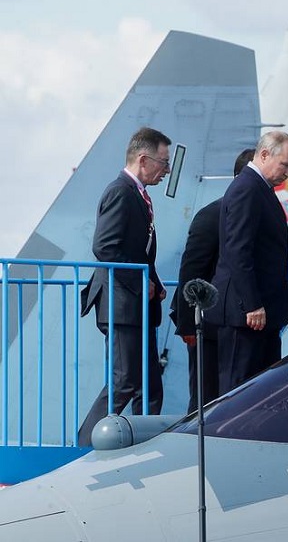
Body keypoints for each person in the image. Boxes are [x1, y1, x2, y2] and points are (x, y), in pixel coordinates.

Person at [78, 126, 172, 446]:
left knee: (148, 384)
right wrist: (140, 282)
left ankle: (144, 446)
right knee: (125, 380)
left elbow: (138, 252)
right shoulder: (120, 191)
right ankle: (86, 444)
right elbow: (106, 247)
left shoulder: (138, 195)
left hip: (137, 303)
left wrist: (155, 284)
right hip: (121, 304)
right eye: (163, 162)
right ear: (144, 160)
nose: (167, 170)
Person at [205, 132, 288, 395]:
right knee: (238, 391)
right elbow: (237, 250)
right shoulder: (247, 188)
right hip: (245, 315)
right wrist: (252, 303)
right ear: (265, 154)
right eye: (286, 165)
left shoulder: (259, 188)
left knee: (261, 392)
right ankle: (228, 438)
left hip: (259, 315)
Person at [170, 149, 255, 413]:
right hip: (209, 327)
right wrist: (188, 325)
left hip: (243, 326)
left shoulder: (259, 215)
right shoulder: (212, 216)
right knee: (205, 400)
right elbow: (191, 271)